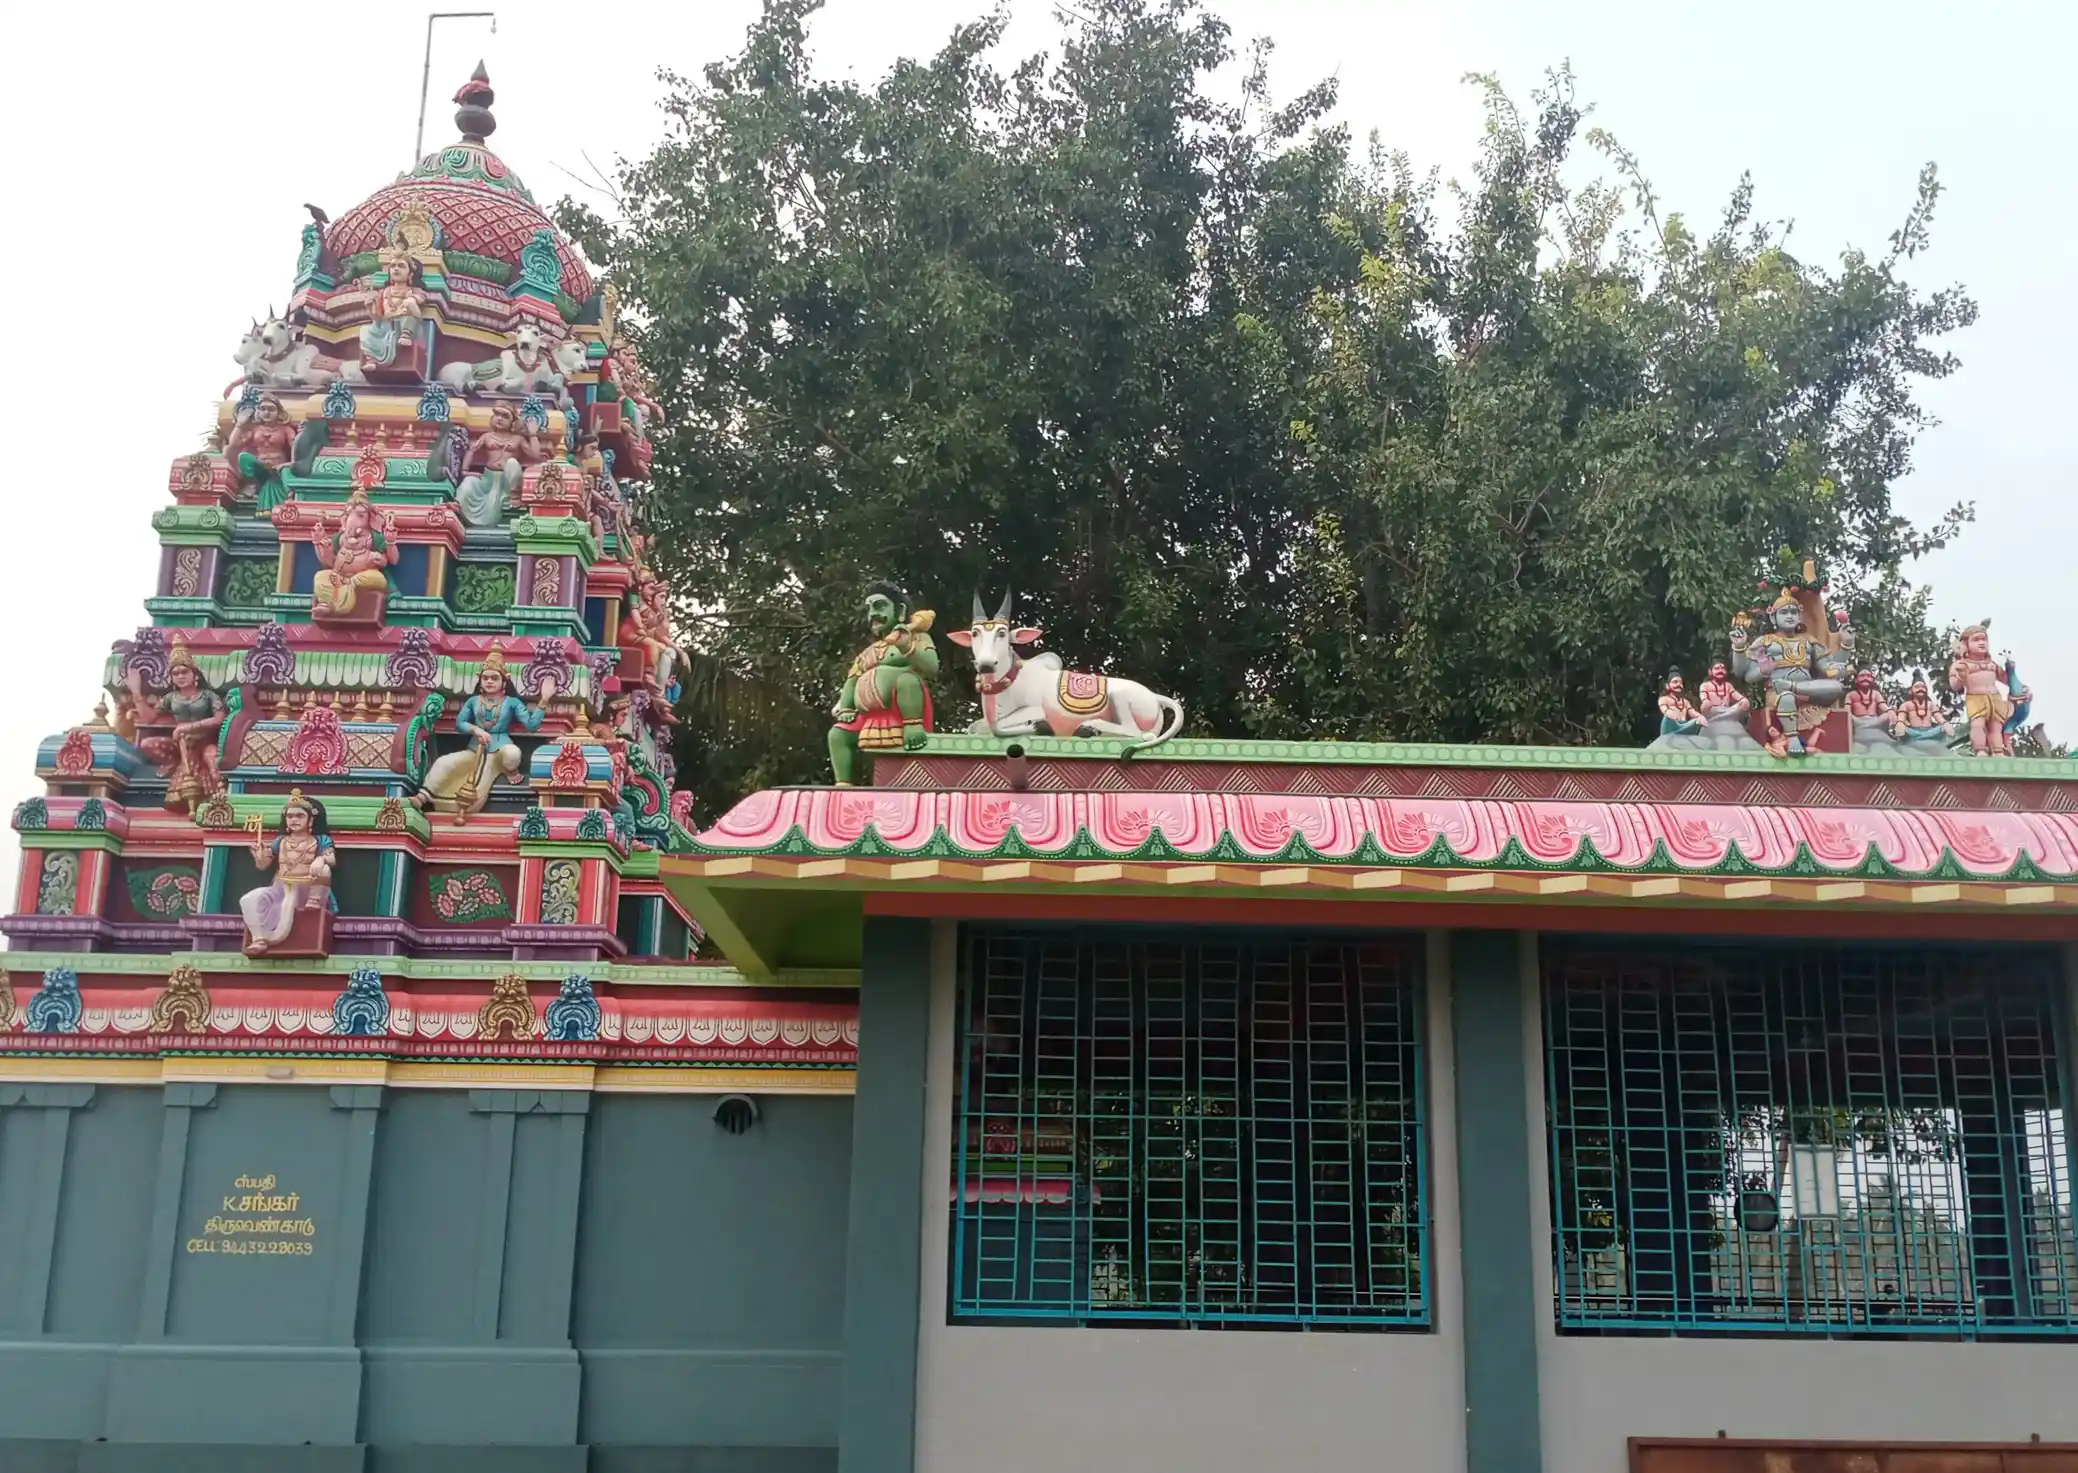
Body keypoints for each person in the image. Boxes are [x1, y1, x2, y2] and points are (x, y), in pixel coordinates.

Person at [413, 646, 556, 815]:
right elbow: (460, 723)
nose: (489, 682)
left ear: (504, 681)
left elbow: (531, 726)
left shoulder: (511, 702)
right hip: (475, 750)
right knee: (444, 762)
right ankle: (422, 797)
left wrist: (544, 700)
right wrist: (476, 730)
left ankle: (510, 770)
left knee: (512, 754)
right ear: (479, 680)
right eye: (485, 678)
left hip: (500, 750)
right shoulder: (474, 701)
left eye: (494, 678)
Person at [133, 634, 226, 810]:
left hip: (204, 743)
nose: (180, 676)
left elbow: (219, 719)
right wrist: (137, 695)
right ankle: (173, 763)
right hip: (180, 745)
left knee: (213, 761)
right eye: (175, 673)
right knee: (147, 744)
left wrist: (188, 727)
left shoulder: (208, 696)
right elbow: (149, 719)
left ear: (195, 674)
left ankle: (221, 801)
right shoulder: (170, 698)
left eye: (184, 672)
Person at [240, 790, 335, 954]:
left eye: (299, 816)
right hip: (281, 888)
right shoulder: (280, 841)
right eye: (290, 816)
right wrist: (259, 855)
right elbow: (263, 865)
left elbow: (331, 859)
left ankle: (314, 902)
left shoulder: (320, 840)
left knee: (324, 868)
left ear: (310, 820)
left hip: (307, 890)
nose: (294, 820)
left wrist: (320, 859)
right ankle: (259, 939)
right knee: (249, 899)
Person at [455, 402, 547, 527]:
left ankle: (514, 497)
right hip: (487, 480)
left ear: (513, 422)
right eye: (497, 414)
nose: (499, 418)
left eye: (505, 416)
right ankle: (457, 507)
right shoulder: (487, 436)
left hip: (507, 482)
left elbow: (536, 456)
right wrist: (465, 471)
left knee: (512, 463)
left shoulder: (517, 439)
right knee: (468, 484)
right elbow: (472, 450)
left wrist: (532, 434)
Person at [311, 489, 398, 617]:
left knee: (376, 578)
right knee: (320, 576)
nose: (353, 520)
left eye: (361, 515)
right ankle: (326, 603)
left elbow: (393, 560)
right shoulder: (339, 537)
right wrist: (318, 543)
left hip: (362, 577)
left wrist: (389, 543)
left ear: (370, 518)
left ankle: (340, 606)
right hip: (338, 574)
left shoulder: (375, 537)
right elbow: (329, 562)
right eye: (349, 515)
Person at [226, 393, 297, 510]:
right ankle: (251, 484)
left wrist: (290, 463)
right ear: (258, 412)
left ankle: (290, 492)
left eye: (271, 409)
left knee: (286, 471)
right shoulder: (255, 429)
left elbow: (296, 447)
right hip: (260, 467)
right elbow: (233, 444)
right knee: (243, 457)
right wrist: (240, 423)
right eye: (263, 409)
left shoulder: (286, 429)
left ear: (279, 412)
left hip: (279, 468)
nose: (267, 412)